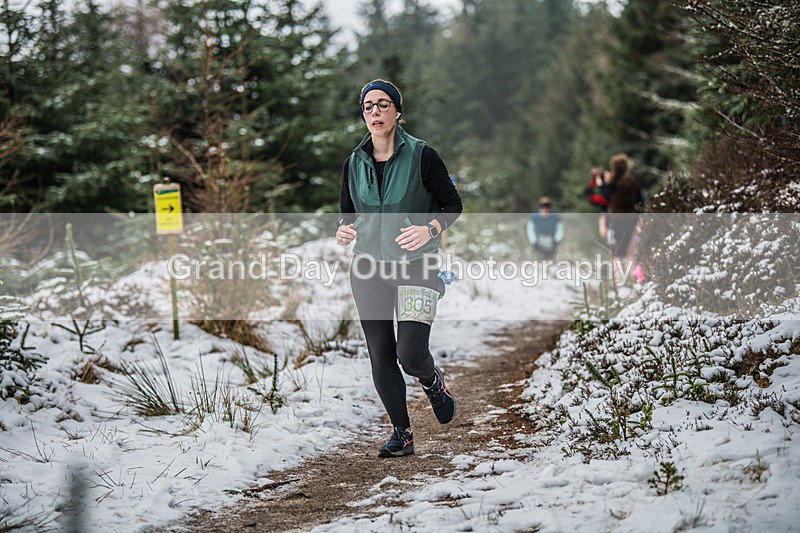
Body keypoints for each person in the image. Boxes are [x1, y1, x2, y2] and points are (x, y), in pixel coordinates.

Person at [336, 79, 463, 458]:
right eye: (368, 106)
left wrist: (430, 228)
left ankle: (432, 381)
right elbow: (347, 210)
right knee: (380, 352)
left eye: (383, 104)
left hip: (417, 267)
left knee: (409, 353)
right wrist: (343, 230)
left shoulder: (424, 156)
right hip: (368, 269)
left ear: (397, 112)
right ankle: (402, 434)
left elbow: (452, 204)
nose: (375, 111)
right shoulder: (354, 162)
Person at [597, 153, 645, 284]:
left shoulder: (612, 184)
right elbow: (641, 202)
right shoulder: (633, 183)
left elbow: (604, 197)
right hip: (632, 219)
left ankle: (619, 282)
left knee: (616, 253)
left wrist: (601, 184)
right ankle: (639, 280)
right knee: (632, 253)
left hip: (616, 221)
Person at [526, 196, 563, 261]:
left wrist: (557, 239)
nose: (545, 208)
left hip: (552, 242)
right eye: (543, 206)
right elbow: (530, 229)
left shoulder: (555, 216)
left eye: (547, 206)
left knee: (550, 260)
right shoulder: (535, 217)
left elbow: (560, 228)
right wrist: (533, 241)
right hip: (538, 242)